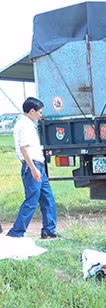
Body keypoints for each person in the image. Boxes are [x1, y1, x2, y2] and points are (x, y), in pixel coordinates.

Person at [7, 97, 58, 240]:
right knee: (31, 201)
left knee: (48, 199)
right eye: (39, 112)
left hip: (37, 166)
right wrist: (33, 169)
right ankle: (16, 233)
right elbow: (24, 149)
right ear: (31, 111)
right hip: (32, 166)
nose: (40, 115)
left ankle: (49, 230)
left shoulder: (28, 124)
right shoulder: (24, 125)